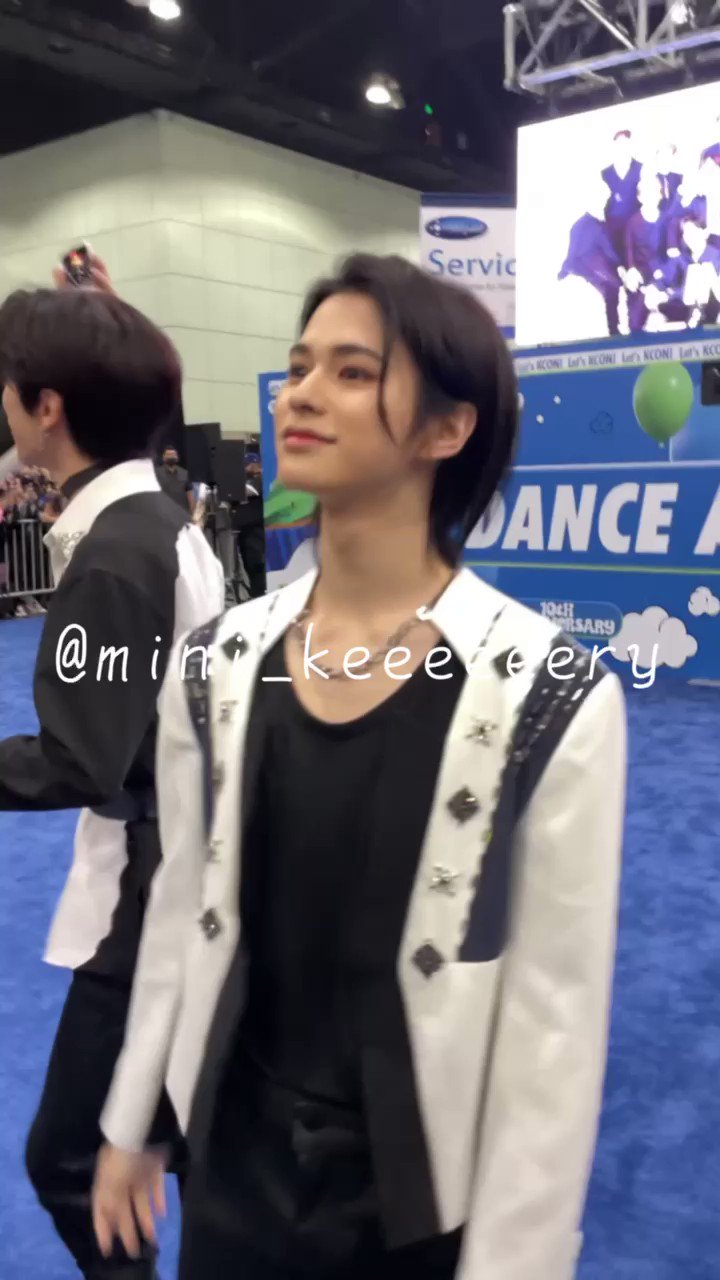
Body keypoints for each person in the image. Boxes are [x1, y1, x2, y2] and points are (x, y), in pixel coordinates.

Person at [93, 253, 626, 1280]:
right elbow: (180, 906)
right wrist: (134, 1118)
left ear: (446, 427)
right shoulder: (213, 664)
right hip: (233, 1170)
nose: (300, 393)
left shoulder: (549, 694)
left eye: (351, 371)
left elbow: (555, 1027)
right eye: (299, 366)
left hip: (416, 1202)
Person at [0, 273, 224, 1280]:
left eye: (11, 384)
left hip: (153, 890)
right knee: (169, 1136)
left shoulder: (114, 556)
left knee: (69, 1155)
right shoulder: (159, 522)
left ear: (48, 406)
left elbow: (79, 756)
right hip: (185, 862)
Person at [559, 180, 623, 335]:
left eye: (605, 198)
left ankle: (614, 330)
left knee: (614, 285)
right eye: (602, 198)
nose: (604, 202)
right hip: (584, 269)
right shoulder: (587, 226)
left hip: (588, 267)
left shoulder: (595, 223)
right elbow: (577, 257)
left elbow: (608, 253)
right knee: (612, 288)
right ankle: (613, 332)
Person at [625, 172, 670, 333]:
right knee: (635, 320)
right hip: (642, 274)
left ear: (660, 195)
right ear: (640, 197)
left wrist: (660, 280)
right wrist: (633, 271)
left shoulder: (666, 219)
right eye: (647, 193)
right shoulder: (632, 222)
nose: (652, 196)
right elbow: (629, 252)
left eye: (655, 192)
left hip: (664, 273)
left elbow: (671, 254)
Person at [602, 128, 642, 264]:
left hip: (636, 227)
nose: (623, 147)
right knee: (618, 264)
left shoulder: (641, 168)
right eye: (619, 144)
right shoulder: (605, 173)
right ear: (614, 146)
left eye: (626, 143)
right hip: (614, 229)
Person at [156, 446, 195, 516]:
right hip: (164, 516)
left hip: (182, 515)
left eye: (173, 455)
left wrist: (192, 515)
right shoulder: (157, 474)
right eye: (169, 455)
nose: (171, 457)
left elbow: (190, 496)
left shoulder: (185, 473)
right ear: (163, 457)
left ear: (177, 457)